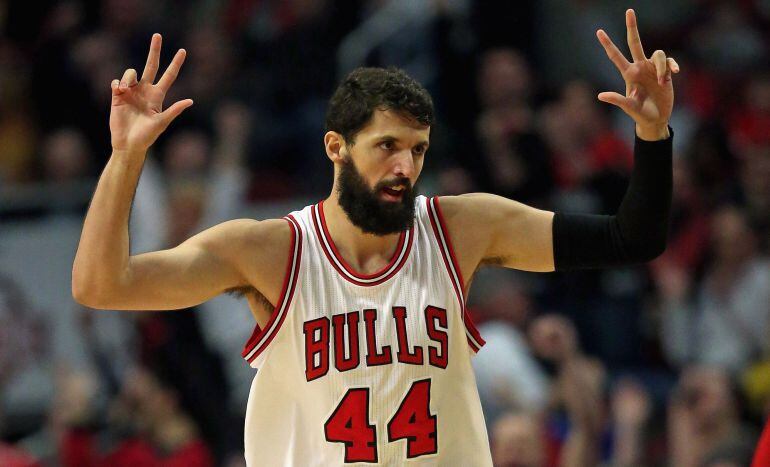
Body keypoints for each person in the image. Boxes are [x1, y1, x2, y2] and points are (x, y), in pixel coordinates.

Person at [72, 9, 677, 465]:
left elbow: (633, 238)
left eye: (417, 151)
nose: (405, 168)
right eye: (387, 146)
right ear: (336, 147)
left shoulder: (460, 228)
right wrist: (126, 157)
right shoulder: (271, 250)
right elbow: (102, 286)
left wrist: (652, 136)